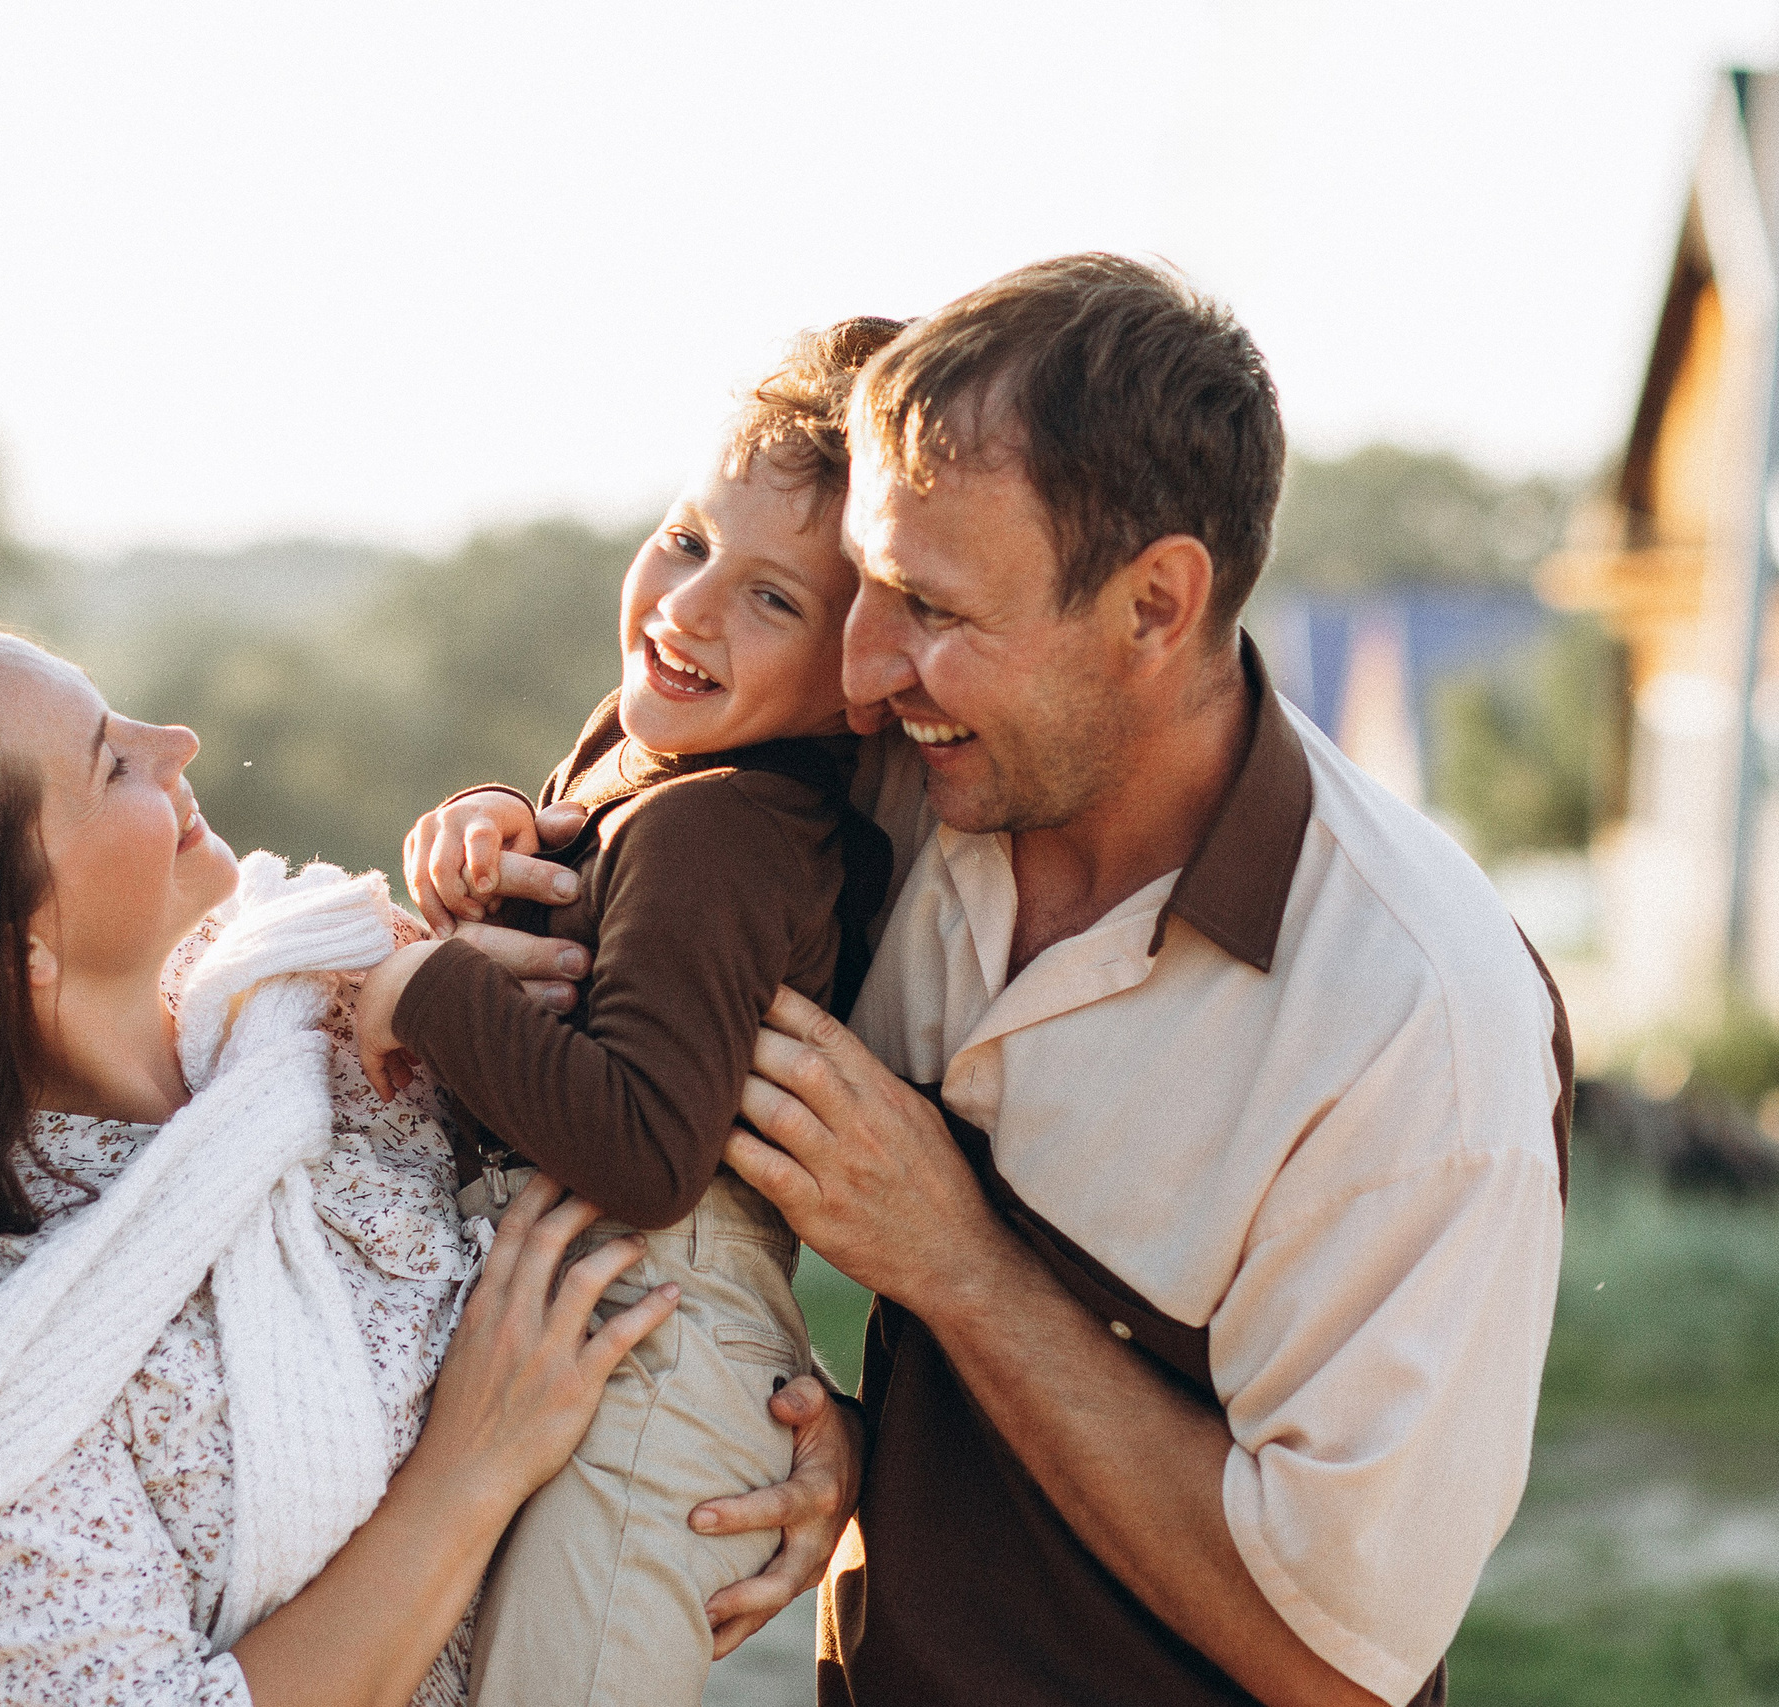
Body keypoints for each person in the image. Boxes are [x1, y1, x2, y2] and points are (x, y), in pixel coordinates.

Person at [421, 256, 1570, 1707]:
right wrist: (824, 1429)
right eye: (860, 581)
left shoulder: (1417, 1032)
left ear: (1156, 606)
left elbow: (1335, 1656)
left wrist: (960, 1271)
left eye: (929, 606)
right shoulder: (896, 787)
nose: (863, 663)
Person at [0, 598, 851, 1707]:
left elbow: (653, 1236)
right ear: (6, 949)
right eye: (108, 763)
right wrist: (468, 1474)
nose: (176, 738)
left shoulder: (318, 1007)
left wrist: (803, 1443)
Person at [356, 319, 902, 1707]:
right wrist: (495, 832)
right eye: (686, 537)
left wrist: (427, 984)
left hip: (664, 1339)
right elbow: (596, 937)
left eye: (777, 600)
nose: (694, 603)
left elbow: (649, 1149)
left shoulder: (720, 828)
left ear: (858, 683)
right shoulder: (645, 754)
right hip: (592, 1311)